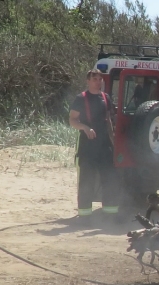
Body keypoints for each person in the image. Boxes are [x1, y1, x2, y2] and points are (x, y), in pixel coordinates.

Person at [68, 69, 120, 221]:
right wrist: (85, 128)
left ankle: (110, 215)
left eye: (100, 79)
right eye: (95, 79)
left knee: (109, 179)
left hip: (105, 146)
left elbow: (109, 120)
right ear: (88, 81)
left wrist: (113, 140)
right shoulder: (80, 98)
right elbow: (72, 120)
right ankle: (85, 217)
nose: (98, 82)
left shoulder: (106, 97)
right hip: (88, 147)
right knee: (87, 181)